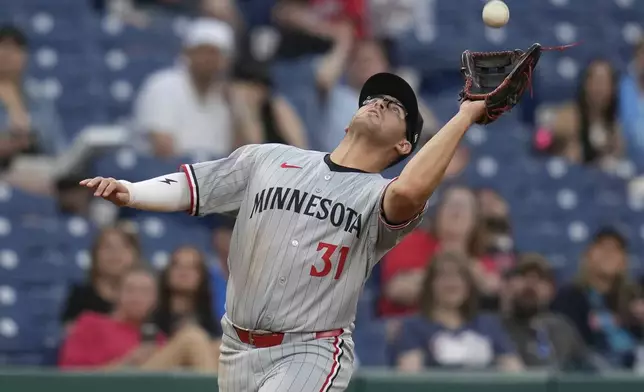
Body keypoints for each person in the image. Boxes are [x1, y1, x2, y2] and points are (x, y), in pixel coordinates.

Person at [80, 71, 487, 391]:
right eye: (374, 98)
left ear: (403, 146)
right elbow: (197, 187)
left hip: (311, 347)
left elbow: (412, 190)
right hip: (237, 347)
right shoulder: (271, 158)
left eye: (396, 107)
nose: (380, 102)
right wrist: (132, 191)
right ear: (349, 121)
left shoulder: (379, 194)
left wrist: (465, 114)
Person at [59, 266, 217, 372]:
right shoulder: (91, 323)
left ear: (155, 300)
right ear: (118, 294)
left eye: (145, 292)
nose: (137, 297)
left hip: (151, 384)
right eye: (130, 290)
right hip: (112, 385)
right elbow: (69, 378)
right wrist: (127, 362)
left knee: (220, 348)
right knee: (191, 337)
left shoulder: (155, 338)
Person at [379, 185, 500, 317]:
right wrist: (463, 277)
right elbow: (397, 290)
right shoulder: (411, 242)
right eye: (451, 205)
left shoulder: (482, 259)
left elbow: (493, 291)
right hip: (411, 324)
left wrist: (421, 279)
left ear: (475, 221)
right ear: (438, 213)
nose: (457, 213)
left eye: (464, 207)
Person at [394, 252, 523, 372]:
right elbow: (409, 379)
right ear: (430, 285)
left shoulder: (488, 324)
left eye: (459, 277)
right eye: (443, 276)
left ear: (469, 286)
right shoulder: (413, 327)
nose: (452, 283)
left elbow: (515, 373)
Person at [133, 18, 238, 158]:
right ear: (188, 54)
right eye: (203, 52)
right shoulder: (163, 84)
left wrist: (242, 108)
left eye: (216, 53)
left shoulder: (227, 94)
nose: (209, 59)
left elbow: (243, 154)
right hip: (165, 173)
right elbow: (162, 147)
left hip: (211, 174)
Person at [552, 227, 643, 368]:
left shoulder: (633, 298)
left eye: (616, 249)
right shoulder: (570, 297)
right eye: (602, 247)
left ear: (624, 261)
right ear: (588, 255)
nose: (608, 254)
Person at [501, 254, 599, 371]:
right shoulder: (494, 327)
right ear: (508, 284)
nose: (531, 283)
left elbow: (591, 368)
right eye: (523, 275)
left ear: (551, 291)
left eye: (540, 278)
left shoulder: (562, 329)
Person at [540, 59, 622, 168]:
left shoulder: (614, 128)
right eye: (597, 81)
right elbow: (541, 140)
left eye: (605, 83)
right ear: (586, 84)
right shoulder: (569, 116)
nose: (600, 89)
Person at [60, 226, 141, 329]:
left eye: (123, 246)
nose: (115, 253)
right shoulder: (80, 296)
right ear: (95, 255)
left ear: (135, 255)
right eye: (107, 247)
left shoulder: (148, 296)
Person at [154, 246, 222, 350]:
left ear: (202, 276)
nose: (184, 272)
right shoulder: (152, 318)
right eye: (177, 266)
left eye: (192, 267)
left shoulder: (210, 322)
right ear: (167, 273)